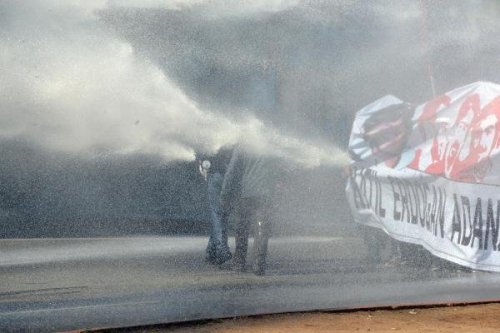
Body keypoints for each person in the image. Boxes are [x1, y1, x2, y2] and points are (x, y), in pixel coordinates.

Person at [219, 145, 285, 275]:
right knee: (262, 228)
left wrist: (224, 193)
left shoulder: (243, 145)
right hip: (266, 193)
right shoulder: (272, 144)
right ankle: (259, 265)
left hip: (246, 192)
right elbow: (280, 169)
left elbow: (232, 170)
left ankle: (239, 263)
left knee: (242, 227)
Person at [197, 147, 234, 265]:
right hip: (227, 175)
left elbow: (203, 157)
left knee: (217, 214)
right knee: (221, 214)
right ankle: (212, 250)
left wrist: (202, 163)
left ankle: (220, 249)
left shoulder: (210, 136)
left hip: (216, 174)